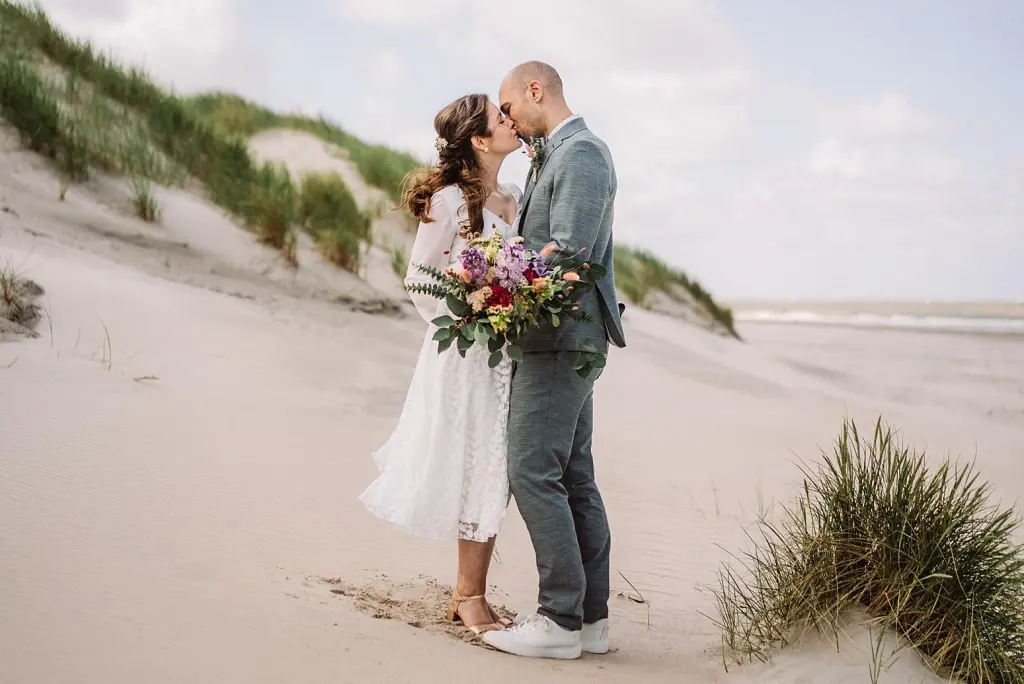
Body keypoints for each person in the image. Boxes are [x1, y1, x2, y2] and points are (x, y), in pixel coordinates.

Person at [359, 93, 524, 636]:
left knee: (494, 467)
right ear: (479, 139)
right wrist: (468, 316)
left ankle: (469, 592)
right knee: (471, 463)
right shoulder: (449, 200)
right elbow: (420, 278)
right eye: (500, 118)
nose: (510, 121)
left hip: (503, 355)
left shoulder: (514, 197)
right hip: (463, 353)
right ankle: (469, 595)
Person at [482, 61, 626, 660]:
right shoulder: (554, 155)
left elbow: (570, 254)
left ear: (535, 91)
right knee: (571, 475)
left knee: (532, 470)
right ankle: (589, 622)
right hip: (561, 337)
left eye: (509, 107)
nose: (508, 120)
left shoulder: (582, 153)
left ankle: (560, 618)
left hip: (563, 337)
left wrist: (494, 284)